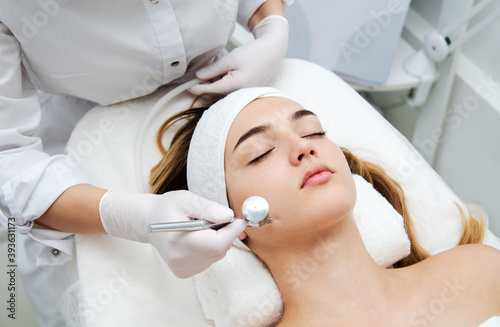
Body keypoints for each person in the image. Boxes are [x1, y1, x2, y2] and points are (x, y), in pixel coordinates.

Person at [0, 1, 289, 325]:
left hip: (223, 83)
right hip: (73, 166)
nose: (306, 152)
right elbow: (8, 159)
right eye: (259, 155)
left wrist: (270, 24)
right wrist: (128, 217)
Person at [150, 87, 500, 326]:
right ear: (228, 222)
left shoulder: (478, 272)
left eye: (313, 131)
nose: (303, 147)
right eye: (260, 153)